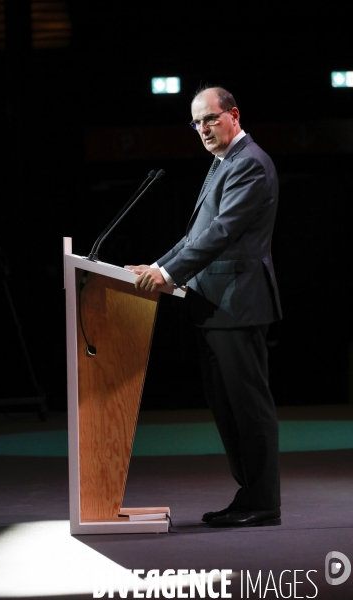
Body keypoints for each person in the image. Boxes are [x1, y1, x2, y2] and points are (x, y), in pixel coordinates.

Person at [125, 84, 282, 528]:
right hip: (213, 305)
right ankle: (249, 495)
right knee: (228, 407)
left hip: (237, 304)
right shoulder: (222, 165)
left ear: (234, 114)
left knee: (248, 407)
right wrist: (157, 265)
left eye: (210, 118)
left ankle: (264, 502)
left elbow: (222, 233)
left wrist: (168, 276)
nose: (203, 129)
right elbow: (196, 236)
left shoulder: (249, 163)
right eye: (196, 122)